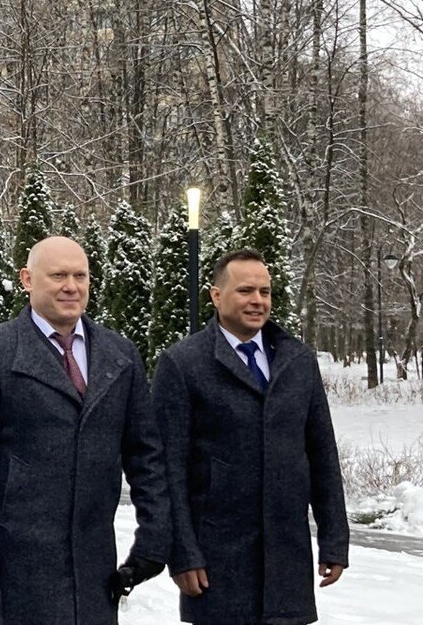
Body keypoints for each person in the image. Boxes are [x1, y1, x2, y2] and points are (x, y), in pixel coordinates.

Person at [0, 235, 170, 624]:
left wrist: (154, 536)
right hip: (15, 567)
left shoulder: (120, 355)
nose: (72, 286)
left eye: (80, 275)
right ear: (27, 280)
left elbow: (144, 454)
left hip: (95, 571)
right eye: (59, 275)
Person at [152, 248, 349, 625]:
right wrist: (181, 552)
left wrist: (334, 539)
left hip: (287, 564)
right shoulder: (182, 364)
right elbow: (166, 471)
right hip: (217, 565)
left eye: (265, 291)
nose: (257, 301)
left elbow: (322, 453)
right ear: (216, 295)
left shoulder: (297, 361)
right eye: (245, 291)